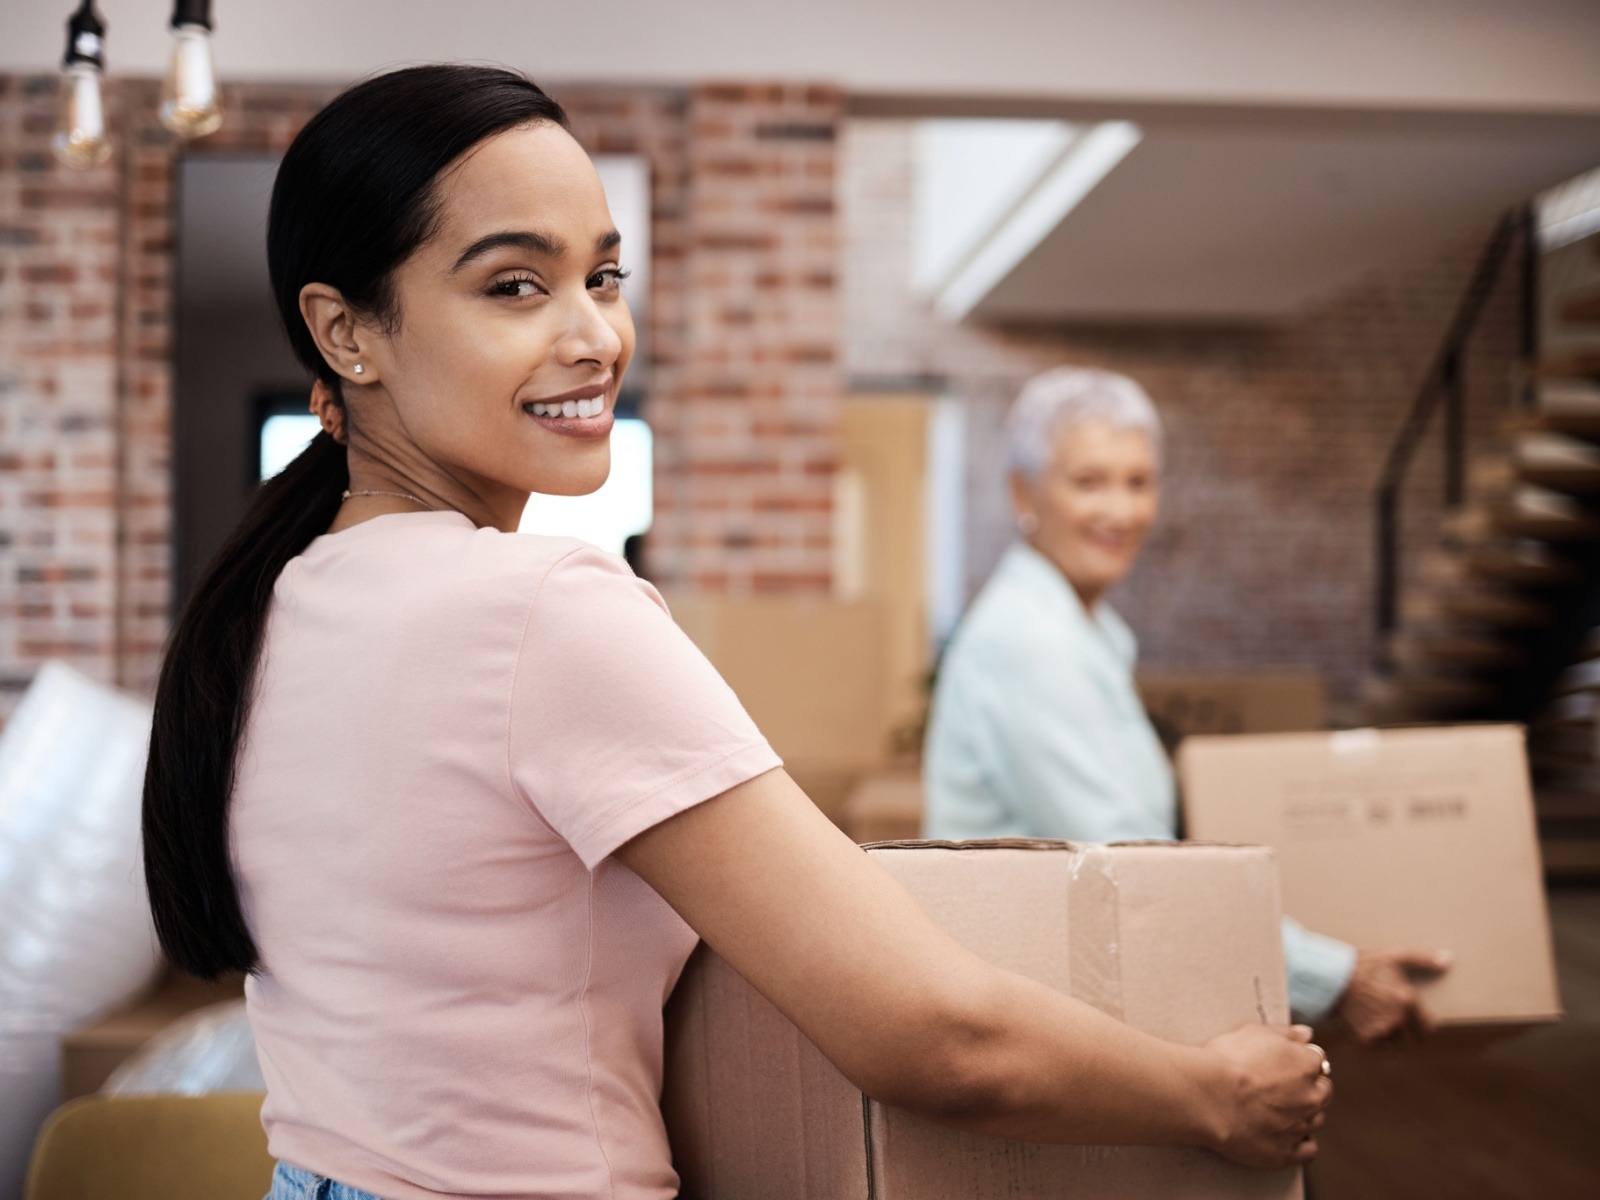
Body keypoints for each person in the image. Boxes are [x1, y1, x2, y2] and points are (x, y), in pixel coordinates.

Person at [140, 68, 1331, 1200]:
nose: (595, 337)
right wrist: (1216, 1095)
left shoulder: (283, 599)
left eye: (603, 278)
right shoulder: (542, 608)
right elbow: (932, 1035)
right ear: (347, 334)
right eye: (514, 285)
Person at [924, 367, 1452, 1044]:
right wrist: (1335, 974)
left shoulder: (1083, 632)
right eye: (1089, 482)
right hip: (1038, 1006)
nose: (1120, 511)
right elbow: (1134, 866)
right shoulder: (1031, 642)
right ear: (1024, 491)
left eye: (1138, 482)